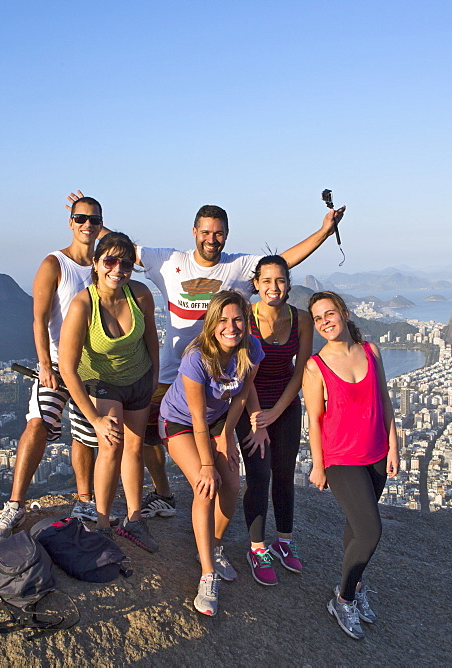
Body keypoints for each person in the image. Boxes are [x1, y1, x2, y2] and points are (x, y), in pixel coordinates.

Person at [68, 191, 345, 519]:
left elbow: (281, 264)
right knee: (147, 438)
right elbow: (122, 251)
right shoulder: (170, 261)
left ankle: (190, 510)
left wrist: (325, 232)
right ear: (194, 232)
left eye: (218, 233)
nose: (211, 239)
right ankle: (163, 495)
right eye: (205, 232)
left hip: (216, 379)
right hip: (170, 372)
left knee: (200, 448)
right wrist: (92, 224)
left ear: (226, 235)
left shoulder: (239, 266)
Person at [0, 196, 110, 542]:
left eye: (94, 220)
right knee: (38, 422)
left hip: (92, 367)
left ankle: (84, 501)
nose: (87, 225)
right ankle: (15, 503)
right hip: (55, 362)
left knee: (86, 435)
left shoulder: (106, 265)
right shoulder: (55, 264)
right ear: (70, 222)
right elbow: (39, 320)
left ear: (102, 224)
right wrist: (44, 365)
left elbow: (126, 251)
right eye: (81, 218)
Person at [158, 291, 265, 616]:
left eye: (237, 320)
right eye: (223, 320)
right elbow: (194, 415)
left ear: (246, 322)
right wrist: (207, 463)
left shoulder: (252, 350)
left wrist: (227, 437)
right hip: (179, 422)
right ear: (211, 323)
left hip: (217, 421)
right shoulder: (198, 358)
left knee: (232, 484)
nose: (231, 327)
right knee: (206, 487)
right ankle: (207, 572)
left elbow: (241, 398)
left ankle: (214, 546)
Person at [302, 291, 399, 640]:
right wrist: (317, 465)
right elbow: (314, 419)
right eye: (318, 318)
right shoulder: (316, 366)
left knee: (357, 527)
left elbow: (385, 400)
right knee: (371, 530)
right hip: (341, 458)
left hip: (375, 454)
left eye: (330, 313)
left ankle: (354, 585)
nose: (326, 321)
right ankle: (343, 599)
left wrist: (393, 447)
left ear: (344, 313)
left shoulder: (371, 351)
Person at [58, 232, 161, 552]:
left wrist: (154, 379)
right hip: (101, 381)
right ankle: (102, 524)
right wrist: (94, 419)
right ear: (96, 264)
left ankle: (134, 519)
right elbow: (66, 367)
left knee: (134, 447)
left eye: (126, 262)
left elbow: (151, 341)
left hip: (139, 379)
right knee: (111, 443)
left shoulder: (141, 294)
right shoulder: (83, 305)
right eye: (110, 261)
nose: (118, 268)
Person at [234, 255, 313, 585]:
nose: (273, 287)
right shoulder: (245, 316)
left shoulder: (302, 319)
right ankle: (257, 547)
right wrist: (257, 418)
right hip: (248, 404)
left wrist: (277, 412)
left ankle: (283, 539)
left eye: (280, 280)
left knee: (284, 473)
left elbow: (300, 370)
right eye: (266, 281)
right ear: (256, 284)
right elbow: (243, 371)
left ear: (288, 284)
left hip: (285, 404)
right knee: (258, 473)